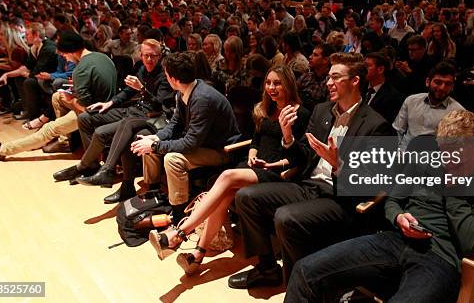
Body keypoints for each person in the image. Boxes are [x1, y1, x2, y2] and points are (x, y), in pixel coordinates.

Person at [285, 110, 474, 303]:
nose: (448, 159)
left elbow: (472, 243)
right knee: (305, 271)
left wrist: (454, 191)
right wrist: (399, 217)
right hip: (396, 240)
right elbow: (393, 200)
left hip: (440, 258)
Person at [227, 53, 394, 289]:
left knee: (285, 217)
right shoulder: (322, 111)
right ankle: (267, 270)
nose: (328, 83)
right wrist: (287, 138)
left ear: (355, 81)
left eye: (335, 77)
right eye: (328, 77)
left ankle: (302, 287)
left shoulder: (377, 125)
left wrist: (339, 165)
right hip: (308, 186)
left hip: (341, 199)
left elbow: (370, 183)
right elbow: (301, 158)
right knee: (246, 197)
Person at [148, 66, 310, 272]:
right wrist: (252, 156)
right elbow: (256, 141)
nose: (271, 87)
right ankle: (197, 255)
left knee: (226, 176)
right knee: (225, 195)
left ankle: (179, 233)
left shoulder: (300, 113)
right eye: (268, 82)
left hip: (278, 170)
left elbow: (299, 157)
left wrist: (270, 163)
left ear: (288, 84)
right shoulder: (265, 109)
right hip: (255, 165)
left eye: (277, 83)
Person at [130, 52, 240, 222]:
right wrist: (155, 139)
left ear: (173, 79)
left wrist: (155, 146)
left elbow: (190, 144)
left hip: (221, 151)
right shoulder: (184, 91)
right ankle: (154, 191)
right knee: (148, 141)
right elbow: (175, 125)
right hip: (201, 145)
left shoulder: (202, 99)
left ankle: (179, 212)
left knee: (172, 159)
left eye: (166, 74)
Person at [0, 32, 117, 161]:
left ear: (71, 51)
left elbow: (83, 110)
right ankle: (64, 141)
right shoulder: (103, 57)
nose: (64, 58)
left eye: (64, 55)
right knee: (57, 96)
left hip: (94, 113)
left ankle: (1, 150)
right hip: (108, 105)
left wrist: (71, 99)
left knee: (49, 129)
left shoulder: (80, 69)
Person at [52, 40, 174, 186]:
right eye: (146, 55)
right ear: (140, 55)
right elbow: (129, 90)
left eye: (153, 56)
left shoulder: (164, 75)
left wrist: (142, 89)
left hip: (150, 116)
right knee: (85, 118)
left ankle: (85, 168)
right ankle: (92, 166)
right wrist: (110, 103)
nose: (149, 59)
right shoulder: (141, 68)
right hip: (133, 109)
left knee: (101, 132)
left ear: (159, 56)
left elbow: (159, 105)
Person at [393, 61, 464, 150]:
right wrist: (396, 151)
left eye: (448, 84)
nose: (442, 87)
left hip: (435, 159)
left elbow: (456, 146)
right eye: (438, 82)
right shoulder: (411, 101)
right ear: (427, 82)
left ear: (452, 87)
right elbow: (398, 130)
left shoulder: (458, 113)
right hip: (404, 154)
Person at [364, 52, 403, 124]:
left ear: (380, 69)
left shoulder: (393, 97)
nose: (363, 69)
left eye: (367, 66)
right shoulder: (360, 88)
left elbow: (385, 125)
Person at [296, 43, 334, 111]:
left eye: (315, 55)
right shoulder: (306, 76)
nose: (310, 57)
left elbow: (327, 108)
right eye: (312, 54)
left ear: (325, 60)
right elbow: (293, 93)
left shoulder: (330, 82)